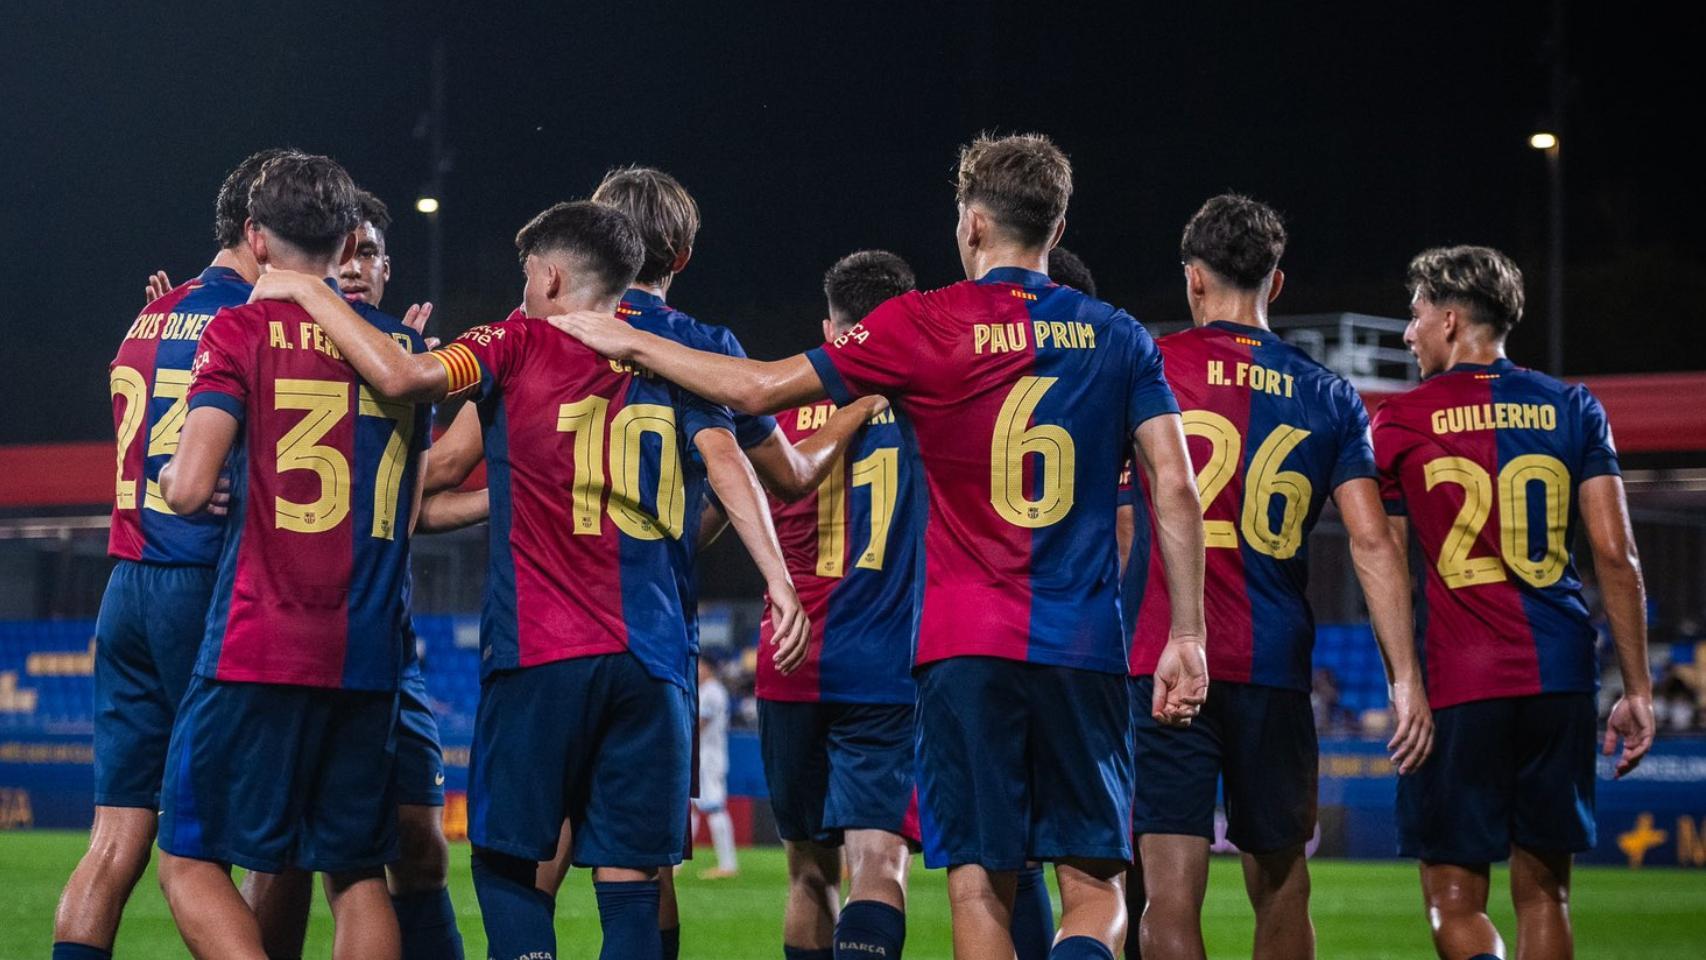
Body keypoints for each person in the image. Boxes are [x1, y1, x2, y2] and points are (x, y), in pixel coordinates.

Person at [550, 132, 1211, 960]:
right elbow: (1176, 488)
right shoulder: (1121, 337)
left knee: (977, 883)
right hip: (1083, 645)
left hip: (960, 647)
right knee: (1095, 888)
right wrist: (1186, 631)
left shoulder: (925, 322)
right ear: (1057, 223)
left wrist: (633, 341)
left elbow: (755, 388)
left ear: (972, 225)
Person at [245, 199, 811, 960]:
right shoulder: (679, 353)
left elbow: (410, 377)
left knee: (510, 866)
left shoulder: (512, 341)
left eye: (524, 275)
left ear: (547, 276)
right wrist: (777, 579)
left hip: (539, 654)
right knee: (633, 880)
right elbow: (733, 465)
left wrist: (310, 290)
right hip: (653, 661)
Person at [1120, 195, 1432, 960]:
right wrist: (1404, 680)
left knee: (1166, 896)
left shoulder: (1149, 367)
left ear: (1193, 280)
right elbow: (1372, 543)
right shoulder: (1329, 395)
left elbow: (1123, 518)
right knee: (1285, 887)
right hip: (1275, 668)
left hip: (1160, 660)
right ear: (1277, 284)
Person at [155, 151, 432, 960]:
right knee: (355, 874)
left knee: (188, 861)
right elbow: (411, 510)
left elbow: (189, 484)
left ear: (255, 237)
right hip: (370, 649)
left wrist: (176, 474)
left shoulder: (238, 327)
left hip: (259, 641)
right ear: (351, 242)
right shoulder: (404, 348)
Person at [1372, 245, 1655, 960]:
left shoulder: (1403, 420)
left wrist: (1404, 682)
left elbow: (1383, 559)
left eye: (1412, 318)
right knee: (1547, 894)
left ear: (1449, 318)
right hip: (1561, 677)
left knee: (1454, 900)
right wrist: (1639, 688)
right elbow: (1618, 559)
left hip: (1461, 681)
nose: (1407, 335)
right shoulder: (1574, 407)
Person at [52, 148, 283, 960]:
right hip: (201, 580)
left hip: (126, 584)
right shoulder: (251, 321)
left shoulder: (146, 317)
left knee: (114, 839)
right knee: (212, 844)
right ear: (258, 236)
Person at [234, 188, 465, 960]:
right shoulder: (273, 344)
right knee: (292, 857)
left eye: (371, 253)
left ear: (387, 269)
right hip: (289, 632)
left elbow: (417, 508)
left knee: (418, 844)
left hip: (382, 641)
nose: (357, 266)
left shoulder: (402, 356)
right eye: (348, 250)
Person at [756, 249, 930, 960]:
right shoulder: (931, 411)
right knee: (879, 866)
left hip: (790, 665)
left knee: (806, 874)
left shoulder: (779, 407)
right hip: (888, 668)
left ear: (831, 327)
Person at [694, 657, 739, 878]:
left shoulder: (712, 692)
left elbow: (700, 725)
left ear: (708, 668)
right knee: (692, 807)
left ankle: (728, 864)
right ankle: (678, 860)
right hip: (702, 756)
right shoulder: (707, 690)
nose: (695, 669)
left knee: (715, 807)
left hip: (709, 758)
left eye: (699, 666)